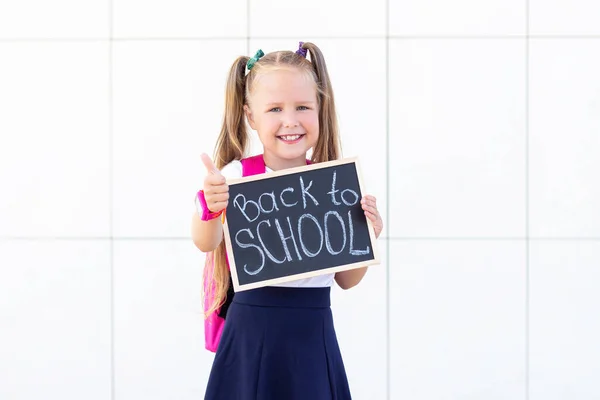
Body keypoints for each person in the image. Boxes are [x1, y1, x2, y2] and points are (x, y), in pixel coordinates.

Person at [191, 41, 383, 400]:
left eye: (303, 107)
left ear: (321, 109)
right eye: (275, 108)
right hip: (251, 332)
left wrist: (367, 234)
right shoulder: (234, 177)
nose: (290, 121)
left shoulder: (335, 186)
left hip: (312, 334)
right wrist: (210, 207)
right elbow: (206, 241)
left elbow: (347, 279)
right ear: (251, 116)